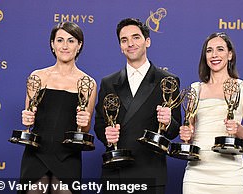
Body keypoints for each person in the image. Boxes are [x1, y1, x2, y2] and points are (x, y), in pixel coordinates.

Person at [94, 18, 182, 194]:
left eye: (136, 37)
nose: (130, 44)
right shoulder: (108, 82)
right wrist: (107, 135)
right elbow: (99, 124)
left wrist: (167, 122)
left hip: (150, 174)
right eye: (124, 40)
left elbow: (174, 130)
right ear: (120, 46)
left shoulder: (167, 81)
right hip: (115, 172)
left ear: (147, 41)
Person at [19, 21, 97, 194]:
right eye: (60, 40)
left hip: (68, 155)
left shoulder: (88, 83)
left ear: (79, 45)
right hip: (36, 152)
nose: (65, 46)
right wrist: (26, 119)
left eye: (71, 40)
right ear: (52, 44)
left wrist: (85, 121)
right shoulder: (37, 77)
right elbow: (28, 121)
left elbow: (84, 129)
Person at [180, 32, 243, 194]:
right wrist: (186, 134)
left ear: (230, 55)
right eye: (209, 51)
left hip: (230, 175)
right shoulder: (195, 89)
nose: (214, 55)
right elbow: (188, 134)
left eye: (220, 49)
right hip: (196, 174)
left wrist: (239, 129)